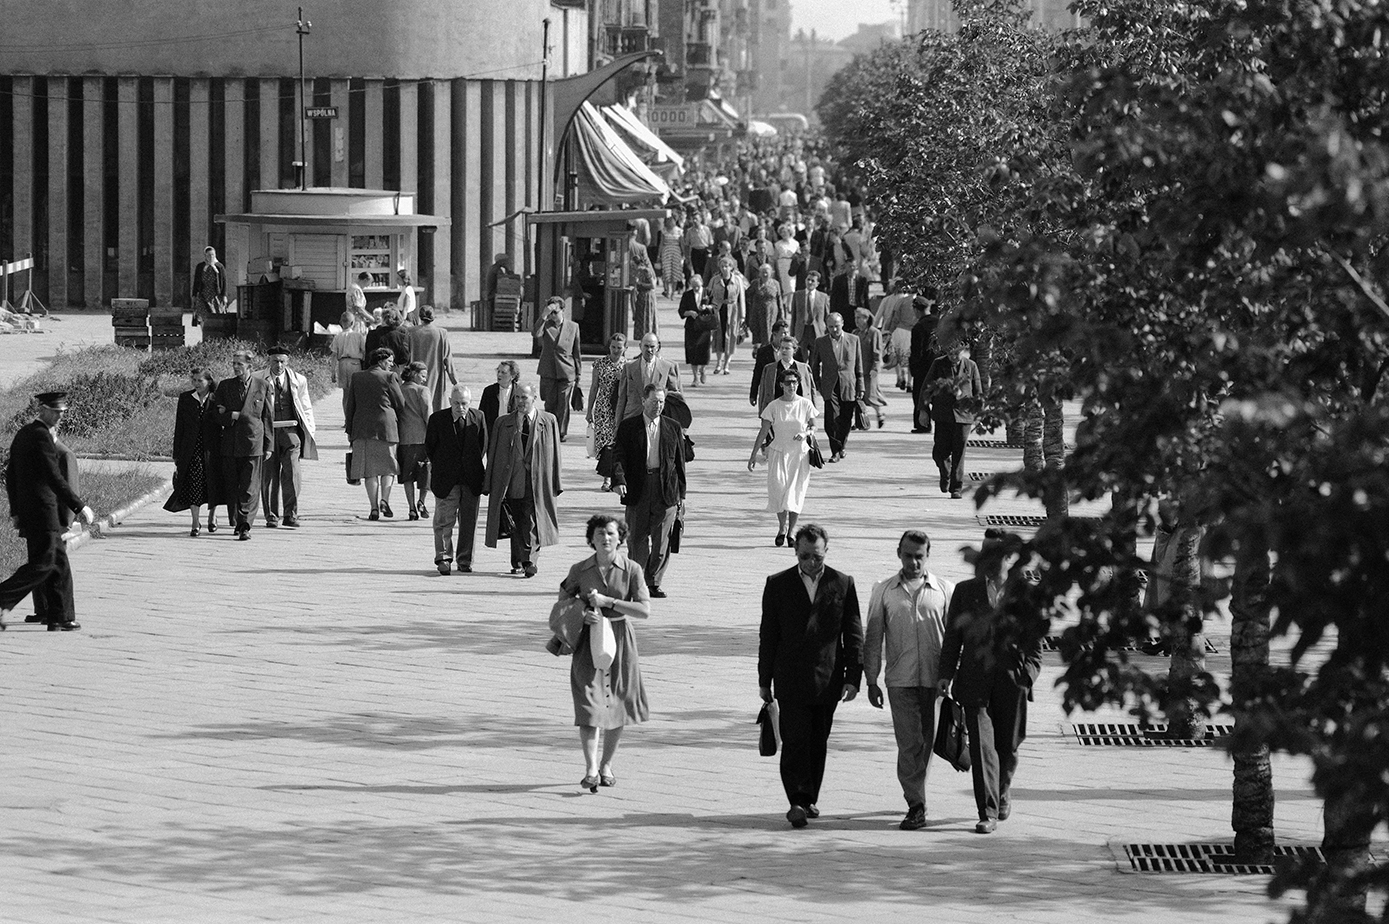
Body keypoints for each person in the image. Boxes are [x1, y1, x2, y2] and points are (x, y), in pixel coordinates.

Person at [757, 523, 864, 828]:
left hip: (827, 678)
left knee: (818, 740)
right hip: (789, 677)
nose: (811, 563)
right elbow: (769, 635)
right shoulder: (778, 584)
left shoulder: (842, 583)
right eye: (805, 556)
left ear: (826, 552)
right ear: (795, 552)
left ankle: (810, 796)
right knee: (794, 740)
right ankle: (797, 800)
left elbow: (853, 633)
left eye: (817, 557)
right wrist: (765, 680)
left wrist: (852, 676)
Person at [938, 529, 1042, 834]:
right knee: (983, 746)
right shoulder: (964, 591)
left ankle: (1002, 789)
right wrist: (945, 672)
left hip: (1012, 681)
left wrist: (1028, 675)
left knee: (1008, 746)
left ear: (1009, 558)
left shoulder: (1024, 594)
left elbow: (1034, 643)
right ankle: (988, 811)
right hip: (973, 679)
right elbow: (953, 637)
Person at [864, 530, 956, 831]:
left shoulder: (944, 590)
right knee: (908, 744)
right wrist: (872, 680)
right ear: (898, 553)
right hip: (900, 680)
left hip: (935, 681)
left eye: (919, 556)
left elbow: (956, 640)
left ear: (928, 556)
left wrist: (951, 675)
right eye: (908, 555)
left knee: (926, 744)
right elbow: (874, 638)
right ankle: (916, 805)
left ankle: (916, 793)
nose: (914, 562)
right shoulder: (884, 590)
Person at [559, 513, 652, 791]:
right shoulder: (579, 569)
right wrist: (582, 613)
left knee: (617, 704)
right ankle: (590, 768)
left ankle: (606, 765)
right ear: (592, 539)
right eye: (600, 534)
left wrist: (610, 601)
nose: (606, 539)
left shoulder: (632, 569)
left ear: (620, 538)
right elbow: (563, 599)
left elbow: (645, 609)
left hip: (621, 639)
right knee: (589, 704)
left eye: (611, 534)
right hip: (589, 641)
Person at [0, 393, 95, 631]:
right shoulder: (41, 437)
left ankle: (59, 617)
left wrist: (16, 510)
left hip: (31, 513)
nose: (60, 416)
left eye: (62, 412)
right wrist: (79, 506)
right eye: (55, 411)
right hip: (43, 512)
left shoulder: (24, 434)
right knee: (44, 564)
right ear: (42, 410)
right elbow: (54, 477)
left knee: (57, 564)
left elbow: (11, 476)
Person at [609, 385, 686, 599]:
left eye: (661, 402)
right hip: (637, 488)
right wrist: (619, 480)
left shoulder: (673, 427)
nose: (658, 406)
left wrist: (682, 495)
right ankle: (637, 580)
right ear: (644, 401)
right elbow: (618, 455)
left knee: (662, 541)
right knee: (637, 539)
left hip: (666, 490)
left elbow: (679, 463)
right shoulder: (628, 427)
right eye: (654, 402)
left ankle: (654, 581)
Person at [483, 383, 562, 577]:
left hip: (537, 481)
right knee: (516, 519)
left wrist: (556, 482)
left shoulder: (548, 420)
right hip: (511, 480)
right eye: (517, 397)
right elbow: (493, 454)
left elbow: (556, 454)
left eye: (524, 398)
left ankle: (530, 561)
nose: (519, 402)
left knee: (532, 519)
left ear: (534, 398)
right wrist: (489, 482)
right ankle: (518, 560)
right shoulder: (503, 423)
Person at [747, 368, 817, 546]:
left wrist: (806, 433)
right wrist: (753, 454)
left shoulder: (805, 404)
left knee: (795, 492)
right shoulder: (774, 406)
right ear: (781, 385)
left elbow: (813, 426)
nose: (791, 385)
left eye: (794, 382)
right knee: (778, 490)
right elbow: (763, 431)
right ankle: (781, 527)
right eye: (788, 382)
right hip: (778, 452)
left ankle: (792, 531)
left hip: (799, 454)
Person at [425, 384, 487, 574]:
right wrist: (444, 465)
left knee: (469, 522)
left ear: (470, 403)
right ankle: (443, 557)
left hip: (471, 478)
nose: (461, 407)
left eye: (465, 403)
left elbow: (482, 445)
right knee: (444, 521)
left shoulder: (478, 417)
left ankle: (465, 560)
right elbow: (430, 447)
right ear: (450, 401)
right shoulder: (437, 419)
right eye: (457, 403)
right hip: (446, 478)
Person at [256, 345, 318, 529]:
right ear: (269, 361)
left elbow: (306, 406)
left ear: (288, 362)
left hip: (291, 432)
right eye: (275, 361)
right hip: (268, 433)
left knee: (292, 473)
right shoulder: (257, 378)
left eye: (282, 361)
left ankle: (290, 514)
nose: (279, 365)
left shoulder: (299, 380)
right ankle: (271, 515)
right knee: (269, 475)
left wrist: (310, 431)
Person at [213, 350, 273, 540]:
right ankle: (237, 520)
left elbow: (267, 417)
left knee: (249, 486)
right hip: (230, 444)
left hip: (253, 443)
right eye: (234, 363)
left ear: (250, 366)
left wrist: (269, 445)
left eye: (240, 364)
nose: (236, 367)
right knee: (232, 485)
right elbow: (216, 414)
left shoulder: (262, 386)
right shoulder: (225, 386)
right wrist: (230, 415)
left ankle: (245, 524)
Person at [344, 347, 406, 520]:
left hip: (362, 428)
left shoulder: (357, 377)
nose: (392, 365)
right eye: (389, 361)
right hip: (386, 427)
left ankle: (373, 507)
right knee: (388, 467)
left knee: (369, 471)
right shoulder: (390, 377)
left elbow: (351, 406)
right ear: (381, 361)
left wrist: (349, 429)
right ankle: (384, 500)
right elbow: (400, 403)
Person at [162, 369, 223, 537]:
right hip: (192, 449)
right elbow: (179, 427)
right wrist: (177, 454)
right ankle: (195, 522)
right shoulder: (186, 398)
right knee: (194, 484)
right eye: (194, 380)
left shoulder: (216, 398)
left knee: (212, 483)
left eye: (200, 381)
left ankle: (212, 515)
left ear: (209, 382)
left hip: (213, 449)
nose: (196, 384)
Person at [925, 341, 983, 499]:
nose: (953, 357)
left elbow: (978, 392)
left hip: (964, 415)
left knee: (959, 451)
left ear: (963, 351)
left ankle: (956, 487)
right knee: (939, 451)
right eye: (950, 354)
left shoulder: (971, 366)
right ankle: (946, 473)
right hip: (942, 414)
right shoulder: (938, 364)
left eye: (956, 354)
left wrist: (979, 415)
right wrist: (922, 411)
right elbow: (926, 388)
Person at [808, 312, 863, 464]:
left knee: (845, 419)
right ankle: (835, 451)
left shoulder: (854, 340)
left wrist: (861, 387)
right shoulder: (821, 342)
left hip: (848, 384)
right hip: (829, 385)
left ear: (843, 323)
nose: (834, 330)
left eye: (837, 326)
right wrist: (818, 385)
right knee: (831, 420)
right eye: (830, 327)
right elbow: (814, 365)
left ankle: (842, 446)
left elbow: (859, 365)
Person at [533, 296, 582, 441]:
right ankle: (549, 429)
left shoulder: (573, 327)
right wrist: (543, 315)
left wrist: (578, 373)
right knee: (550, 402)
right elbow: (535, 334)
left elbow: (577, 352)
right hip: (548, 370)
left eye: (555, 312)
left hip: (566, 371)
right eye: (551, 313)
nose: (553, 315)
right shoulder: (546, 325)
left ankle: (560, 432)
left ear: (562, 310)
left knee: (563, 403)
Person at [585, 332, 627, 492]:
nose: (616, 350)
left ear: (625, 348)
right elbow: (594, 387)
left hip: (619, 409)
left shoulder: (628, 366)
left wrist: (621, 377)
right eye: (613, 347)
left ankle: (613, 478)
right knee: (605, 445)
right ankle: (607, 477)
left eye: (619, 348)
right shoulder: (600, 364)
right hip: (603, 409)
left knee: (616, 444)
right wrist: (589, 410)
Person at [614, 333, 682, 422]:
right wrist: (617, 423)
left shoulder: (667, 367)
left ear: (657, 347)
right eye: (646, 346)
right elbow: (622, 398)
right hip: (633, 416)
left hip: (658, 418)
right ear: (640, 346)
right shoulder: (629, 367)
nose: (649, 350)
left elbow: (675, 397)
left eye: (652, 346)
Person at [397, 361, 433, 521]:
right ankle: (421, 501)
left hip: (404, 438)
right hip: (422, 437)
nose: (425, 379)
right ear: (414, 374)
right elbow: (428, 415)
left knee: (408, 475)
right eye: (423, 375)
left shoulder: (399, 389)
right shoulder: (422, 391)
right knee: (425, 471)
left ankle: (411, 507)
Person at [407, 305, 457, 412]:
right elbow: (448, 360)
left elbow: (406, 356)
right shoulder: (441, 333)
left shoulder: (410, 332)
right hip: (435, 375)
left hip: (415, 375)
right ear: (433, 317)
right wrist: (455, 382)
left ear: (420, 316)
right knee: (434, 406)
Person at [753, 335, 816, 414]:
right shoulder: (769, 369)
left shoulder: (804, 368)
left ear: (794, 350)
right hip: (777, 412)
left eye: (787, 348)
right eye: (781, 348)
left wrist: (812, 413)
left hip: (799, 412)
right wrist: (763, 413)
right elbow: (763, 392)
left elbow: (812, 391)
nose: (783, 350)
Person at [707, 256, 746, 375]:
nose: (725, 268)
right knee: (718, 336)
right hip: (718, 309)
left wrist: (743, 315)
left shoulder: (738, 280)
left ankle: (727, 364)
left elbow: (741, 298)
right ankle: (719, 362)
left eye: (727, 266)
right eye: (722, 266)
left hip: (733, 310)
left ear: (731, 267)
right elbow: (708, 296)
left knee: (731, 336)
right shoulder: (714, 280)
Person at [909, 291, 941, 433]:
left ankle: (923, 424)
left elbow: (917, 352)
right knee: (939, 397)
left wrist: (914, 369)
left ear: (916, 309)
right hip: (940, 366)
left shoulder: (918, 327)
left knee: (920, 396)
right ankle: (941, 423)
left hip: (923, 368)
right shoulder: (939, 323)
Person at [875, 279, 916, 391]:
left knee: (896, 355)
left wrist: (875, 329)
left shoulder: (887, 300)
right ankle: (909, 382)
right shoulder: (911, 300)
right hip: (909, 330)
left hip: (891, 330)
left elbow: (879, 316)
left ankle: (900, 377)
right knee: (909, 355)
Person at [680, 275, 718, 387]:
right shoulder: (687, 295)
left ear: (702, 284)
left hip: (704, 327)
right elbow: (681, 311)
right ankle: (695, 377)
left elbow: (715, 306)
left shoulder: (708, 292)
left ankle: (703, 370)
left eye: (698, 286)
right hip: (691, 327)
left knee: (704, 351)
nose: (696, 288)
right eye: (694, 286)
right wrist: (690, 313)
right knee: (692, 352)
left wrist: (707, 307)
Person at [854, 307, 887, 430]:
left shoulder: (874, 332)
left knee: (871, 395)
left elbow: (877, 352)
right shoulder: (855, 333)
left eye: (859, 318)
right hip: (858, 371)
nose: (856, 321)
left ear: (866, 318)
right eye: (855, 318)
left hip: (870, 370)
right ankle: (861, 421)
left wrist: (875, 369)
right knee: (857, 396)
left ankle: (880, 414)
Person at [331, 310, 368, 414]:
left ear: (341, 322)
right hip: (355, 363)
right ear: (353, 323)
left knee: (346, 394)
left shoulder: (337, 337)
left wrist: (333, 371)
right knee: (356, 392)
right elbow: (364, 351)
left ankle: (347, 419)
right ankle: (354, 417)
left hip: (342, 364)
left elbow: (334, 355)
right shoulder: (359, 336)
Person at [745, 263, 784, 352]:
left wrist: (782, 315)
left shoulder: (775, 283)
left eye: (767, 272)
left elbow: (779, 299)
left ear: (771, 273)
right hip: (757, 313)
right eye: (763, 272)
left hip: (771, 312)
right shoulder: (755, 283)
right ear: (759, 273)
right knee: (758, 332)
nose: (765, 274)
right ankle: (759, 351)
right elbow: (747, 295)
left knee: (770, 332)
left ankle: (769, 351)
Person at [789, 270, 829, 349]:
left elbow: (827, 317)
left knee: (815, 358)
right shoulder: (797, 295)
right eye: (808, 280)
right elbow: (793, 316)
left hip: (817, 332)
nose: (810, 282)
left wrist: (827, 334)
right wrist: (792, 334)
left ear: (817, 284)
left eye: (813, 281)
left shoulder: (823, 297)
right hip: (801, 331)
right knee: (801, 357)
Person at [480, 360, 522, 433]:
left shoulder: (519, 391)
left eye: (503, 372)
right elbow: (482, 414)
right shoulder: (489, 391)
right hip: (494, 431)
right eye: (498, 371)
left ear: (512, 376)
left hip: (513, 432)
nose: (499, 375)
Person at [365, 307, 412, 371]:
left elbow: (368, 355)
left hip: (376, 370)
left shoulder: (372, 334)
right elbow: (405, 357)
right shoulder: (402, 336)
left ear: (383, 318)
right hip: (394, 369)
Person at [630, 238, 659, 342]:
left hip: (647, 297)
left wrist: (640, 284)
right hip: (641, 298)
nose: (632, 267)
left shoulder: (646, 271)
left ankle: (649, 341)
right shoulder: (637, 272)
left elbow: (652, 285)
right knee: (641, 322)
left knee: (647, 321)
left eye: (633, 265)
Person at [190, 245, 225, 326]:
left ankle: (214, 335)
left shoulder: (219, 267)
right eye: (209, 255)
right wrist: (194, 295)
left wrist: (224, 295)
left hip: (215, 296)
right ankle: (205, 334)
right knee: (202, 316)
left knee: (215, 316)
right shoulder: (200, 266)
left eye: (212, 255)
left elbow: (224, 281)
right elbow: (196, 281)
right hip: (203, 295)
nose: (211, 257)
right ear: (205, 256)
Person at [773, 222, 801, 298]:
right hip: (782, 264)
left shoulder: (795, 243)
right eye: (781, 232)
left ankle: (791, 305)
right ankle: (785, 304)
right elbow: (775, 257)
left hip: (792, 264)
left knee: (792, 285)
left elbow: (799, 255)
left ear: (789, 232)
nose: (783, 234)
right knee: (784, 285)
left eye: (784, 232)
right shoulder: (778, 244)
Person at [659, 214, 685, 298]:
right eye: (668, 220)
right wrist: (658, 255)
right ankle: (667, 290)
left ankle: (673, 292)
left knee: (675, 273)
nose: (669, 221)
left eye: (671, 220)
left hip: (676, 252)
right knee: (666, 272)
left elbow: (682, 243)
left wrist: (684, 254)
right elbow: (661, 243)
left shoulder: (679, 231)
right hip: (666, 252)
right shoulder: (664, 231)